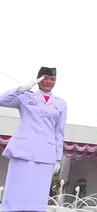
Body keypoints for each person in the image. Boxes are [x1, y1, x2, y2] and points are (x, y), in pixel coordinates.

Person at [0, 67, 66, 212]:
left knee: (38, 192)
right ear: (39, 79)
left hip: (45, 152)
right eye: (45, 78)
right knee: (15, 188)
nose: (49, 81)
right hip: (22, 149)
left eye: (52, 79)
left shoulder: (60, 103)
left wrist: (57, 158)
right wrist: (23, 88)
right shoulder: (25, 96)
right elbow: (2, 100)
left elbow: (59, 132)